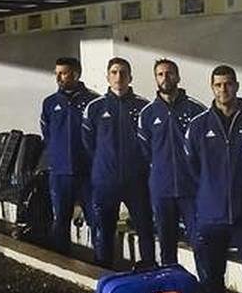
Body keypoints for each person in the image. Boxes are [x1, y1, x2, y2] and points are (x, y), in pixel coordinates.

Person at [184, 66, 242, 293]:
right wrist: (210, 190)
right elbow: (192, 167)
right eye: (218, 85)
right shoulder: (198, 126)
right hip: (211, 215)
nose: (223, 89)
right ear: (212, 87)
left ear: (236, 86)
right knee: (212, 279)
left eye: (228, 84)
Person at [81, 58, 156, 268]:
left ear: (130, 77)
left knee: (144, 228)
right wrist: (104, 165)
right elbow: (88, 144)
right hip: (106, 182)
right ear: (107, 77)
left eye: (123, 73)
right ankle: (103, 272)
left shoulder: (144, 107)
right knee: (104, 228)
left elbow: (149, 144)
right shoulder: (94, 108)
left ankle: (148, 269)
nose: (118, 77)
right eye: (114, 72)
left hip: (137, 181)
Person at [137, 59, 205, 266]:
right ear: (155, 79)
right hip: (162, 190)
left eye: (169, 73)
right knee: (167, 245)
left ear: (178, 76)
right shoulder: (147, 114)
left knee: (200, 242)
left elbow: (205, 151)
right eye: (160, 74)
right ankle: (171, 287)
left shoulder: (196, 110)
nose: (165, 78)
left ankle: (207, 292)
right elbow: (145, 151)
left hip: (191, 190)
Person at [40, 57, 100, 253]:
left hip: (88, 173)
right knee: (61, 222)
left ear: (76, 74)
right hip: (60, 173)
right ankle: (63, 265)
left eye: (63, 73)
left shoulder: (94, 102)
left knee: (96, 220)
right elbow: (47, 134)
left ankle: (102, 264)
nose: (58, 77)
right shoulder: (50, 103)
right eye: (56, 72)